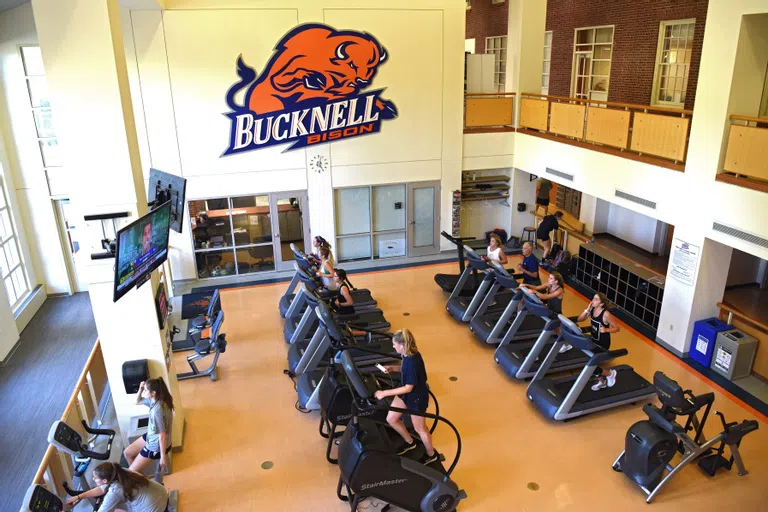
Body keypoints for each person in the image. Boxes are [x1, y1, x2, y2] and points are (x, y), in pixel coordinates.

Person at [373, 329, 439, 465]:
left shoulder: (413, 362)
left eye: (394, 344)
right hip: (406, 395)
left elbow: (409, 387)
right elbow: (404, 368)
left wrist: (384, 393)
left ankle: (431, 455)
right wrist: (393, 368)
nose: (393, 346)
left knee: (420, 429)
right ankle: (410, 442)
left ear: (402, 346)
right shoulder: (407, 354)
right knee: (391, 419)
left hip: (416, 399)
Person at [565, 292, 621, 390]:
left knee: (591, 364)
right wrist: (587, 309)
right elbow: (580, 319)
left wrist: (606, 330)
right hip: (593, 340)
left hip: (603, 343)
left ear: (602, 304)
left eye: (596, 299)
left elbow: (617, 328)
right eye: (593, 298)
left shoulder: (606, 314)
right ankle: (602, 382)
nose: (593, 301)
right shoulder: (592, 309)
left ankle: (610, 374)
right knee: (590, 362)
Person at [65, 462, 169, 512]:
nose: (93, 479)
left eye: (95, 478)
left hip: (156, 509)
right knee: (117, 507)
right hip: (162, 494)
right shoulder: (120, 472)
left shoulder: (115, 491)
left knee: (115, 510)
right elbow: (101, 489)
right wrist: (79, 496)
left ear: (105, 480)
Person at [123, 378, 174, 475]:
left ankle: (142, 482)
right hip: (152, 436)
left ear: (153, 393)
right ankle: (141, 479)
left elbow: (162, 435)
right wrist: (141, 388)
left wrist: (163, 456)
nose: (144, 392)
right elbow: (137, 401)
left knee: (131, 473)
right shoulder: (158, 400)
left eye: (146, 390)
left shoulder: (157, 411)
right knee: (127, 453)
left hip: (155, 445)